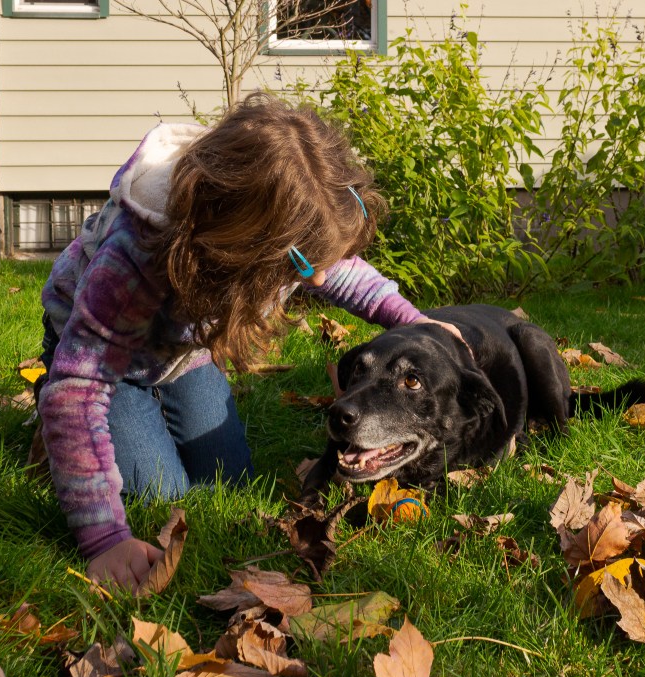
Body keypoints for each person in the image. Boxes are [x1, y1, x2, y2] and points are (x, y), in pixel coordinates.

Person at [38, 93, 459, 591]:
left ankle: (120, 427)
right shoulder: (133, 260)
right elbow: (77, 389)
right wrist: (104, 539)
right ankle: (56, 443)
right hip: (111, 362)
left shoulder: (287, 238)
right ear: (242, 247)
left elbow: (343, 275)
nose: (319, 275)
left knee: (229, 482)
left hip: (182, 351)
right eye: (306, 265)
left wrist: (419, 324)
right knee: (161, 492)